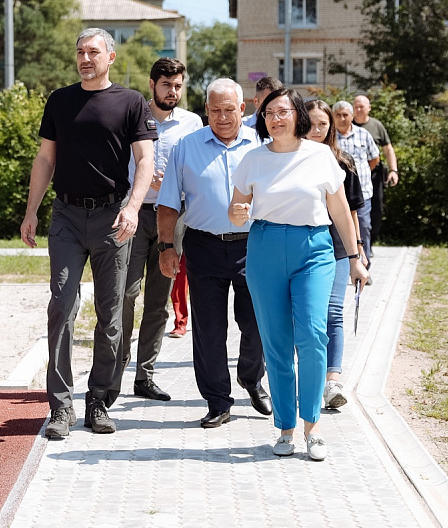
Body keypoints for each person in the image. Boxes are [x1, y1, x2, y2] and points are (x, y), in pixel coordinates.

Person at [21, 28, 156, 439]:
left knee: (110, 313)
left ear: (110, 57)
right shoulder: (60, 100)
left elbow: (146, 158)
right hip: (65, 215)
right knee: (61, 304)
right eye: (79, 51)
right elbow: (46, 158)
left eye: (93, 51)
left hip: (112, 217)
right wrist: (31, 212)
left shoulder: (131, 102)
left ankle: (99, 399)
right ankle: (60, 407)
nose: (85, 58)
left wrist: (133, 207)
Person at [229, 88, 361, 462]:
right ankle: (285, 427)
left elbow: (339, 209)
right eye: (269, 112)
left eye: (282, 111)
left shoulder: (319, 155)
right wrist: (238, 214)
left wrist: (354, 257)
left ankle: (312, 427)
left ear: (297, 115)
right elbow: (236, 209)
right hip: (265, 247)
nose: (275, 118)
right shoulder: (253, 159)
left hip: (314, 248)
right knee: (277, 342)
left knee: (313, 333)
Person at [157, 78, 272, 427]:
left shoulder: (261, 146)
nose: (222, 117)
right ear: (206, 110)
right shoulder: (186, 146)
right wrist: (166, 247)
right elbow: (167, 203)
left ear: (243, 109)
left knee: (256, 323)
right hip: (203, 245)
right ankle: (218, 400)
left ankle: (251, 378)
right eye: (215, 110)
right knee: (208, 328)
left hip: (253, 246)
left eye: (229, 110)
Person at [114, 57, 203, 403]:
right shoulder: (133, 116)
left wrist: (178, 184)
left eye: (178, 85)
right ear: (152, 85)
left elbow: (199, 167)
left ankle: (145, 376)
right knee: (124, 295)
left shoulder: (192, 123)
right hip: (133, 215)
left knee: (158, 302)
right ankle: (115, 373)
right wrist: (142, 180)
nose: (173, 91)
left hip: (173, 219)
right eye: (166, 85)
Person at [304, 99, 372, 410]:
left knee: (333, 312)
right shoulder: (289, 161)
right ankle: (307, 378)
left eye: (323, 124)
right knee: (306, 317)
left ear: (332, 127)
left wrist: (357, 254)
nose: (316, 130)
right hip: (301, 248)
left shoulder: (343, 163)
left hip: (337, 249)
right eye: (311, 123)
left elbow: (352, 213)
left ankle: (332, 382)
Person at [333, 100, 380, 264]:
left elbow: (374, 158)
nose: (342, 118)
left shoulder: (363, 134)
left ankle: (364, 264)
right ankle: (345, 263)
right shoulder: (330, 137)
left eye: (345, 115)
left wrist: (362, 175)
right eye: (338, 115)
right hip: (337, 194)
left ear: (352, 116)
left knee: (363, 228)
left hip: (362, 192)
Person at [352, 94, 398, 242]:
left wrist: (393, 170)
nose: (358, 109)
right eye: (356, 106)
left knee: (376, 209)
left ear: (369, 108)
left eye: (362, 106)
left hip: (373, 175)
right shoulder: (347, 124)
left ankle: (369, 242)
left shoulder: (376, 126)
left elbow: (388, 149)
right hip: (351, 176)